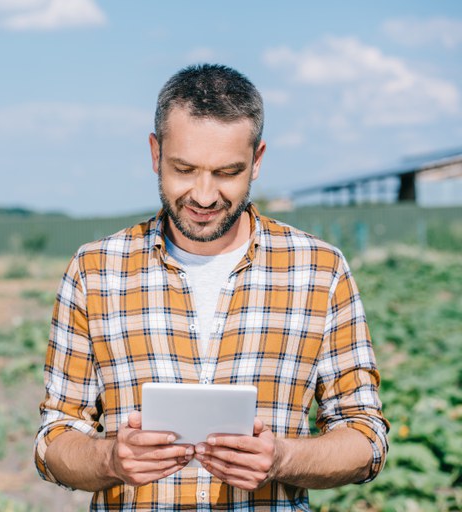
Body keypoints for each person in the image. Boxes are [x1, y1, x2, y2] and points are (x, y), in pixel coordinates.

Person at [34, 63, 388, 510]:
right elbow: (54, 439)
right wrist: (110, 459)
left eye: (226, 173)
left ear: (257, 161)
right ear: (154, 153)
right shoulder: (95, 270)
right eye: (184, 169)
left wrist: (283, 457)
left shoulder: (319, 269)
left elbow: (366, 437)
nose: (203, 196)